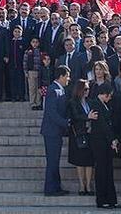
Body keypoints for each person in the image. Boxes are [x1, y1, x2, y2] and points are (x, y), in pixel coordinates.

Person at [40, 65, 70, 196]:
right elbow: (51, 112)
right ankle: (50, 188)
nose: (69, 79)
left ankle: (56, 187)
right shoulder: (53, 90)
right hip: (51, 132)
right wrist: (65, 123)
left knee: (55, 160)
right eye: (67, 76)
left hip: (56, 131)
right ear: (62, 76)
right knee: (52, 160)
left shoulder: (60, 89)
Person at [90, 82, 121, 208]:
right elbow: (102, 124)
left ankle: (111, 199)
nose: (110, 98)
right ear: (104, 94)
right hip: (99, 141)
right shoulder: (95, 104)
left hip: (105, 141)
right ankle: (101, 200)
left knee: (108, 170)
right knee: (102, 170)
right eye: (109, 95)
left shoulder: (104, 105)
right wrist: (112, 139)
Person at [66, 80, 94, 195]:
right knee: (80, 161)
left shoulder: (90, 102)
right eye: (85, 89)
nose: (87, 91)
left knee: (89, 161)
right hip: (78, 134)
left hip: (90, 133)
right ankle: (82, 185)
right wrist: (88, 117)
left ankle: (88, 185)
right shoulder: (73, 102)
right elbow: (75, 116)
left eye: (88, 89)